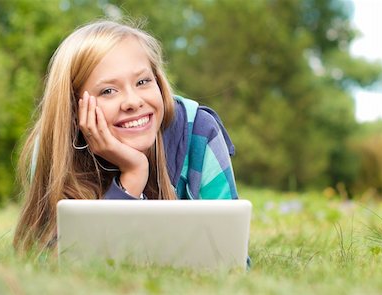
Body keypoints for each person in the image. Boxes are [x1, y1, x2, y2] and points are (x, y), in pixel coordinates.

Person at [13, 19, 238, 252]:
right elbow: (58, 262)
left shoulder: (199, 132)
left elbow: (231, 253)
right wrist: (133, 175)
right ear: (73, 107)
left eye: (143, 81)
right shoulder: (55, 145)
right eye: (108, 91)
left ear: (159, 83)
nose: (133, 101)